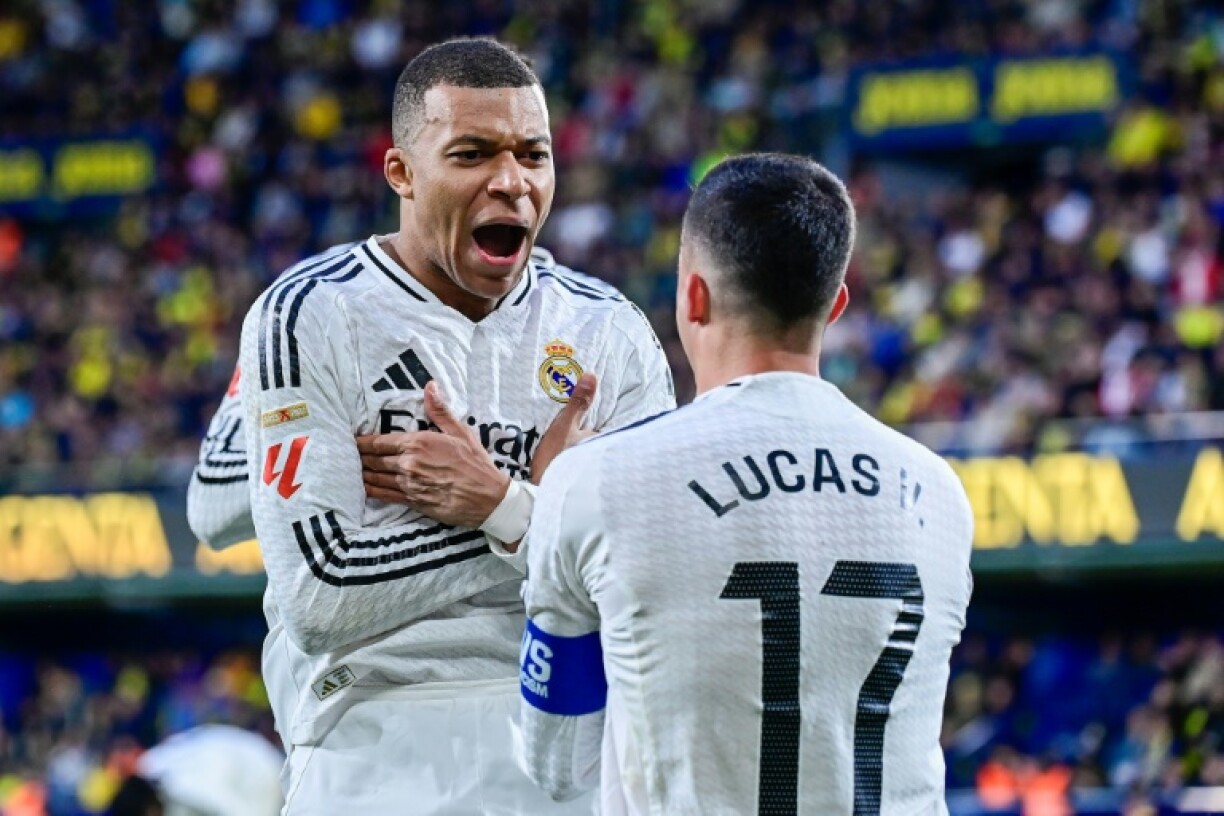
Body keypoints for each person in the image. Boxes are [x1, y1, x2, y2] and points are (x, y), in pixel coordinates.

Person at [237, 38, 674, 815]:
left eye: (533, 155)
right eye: (472, 154)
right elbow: (320, 594)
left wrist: (498, 504)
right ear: (400, 171)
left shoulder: (609, 331)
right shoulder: (311, 312)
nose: (511, 182)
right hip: (373, 724)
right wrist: (551, 521)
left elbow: (657, 578)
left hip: (568, 725)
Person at [518, 153, 974, 815]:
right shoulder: (938, 493)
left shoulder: (595, 480)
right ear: (836, 303)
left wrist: (534, 520)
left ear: (693, 295)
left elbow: (559, 765)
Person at [108, 724, 284, 816]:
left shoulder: (179, 784)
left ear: (148, 810)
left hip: (262, 771)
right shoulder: (152, 768)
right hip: (248, 751)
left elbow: (227, 804)